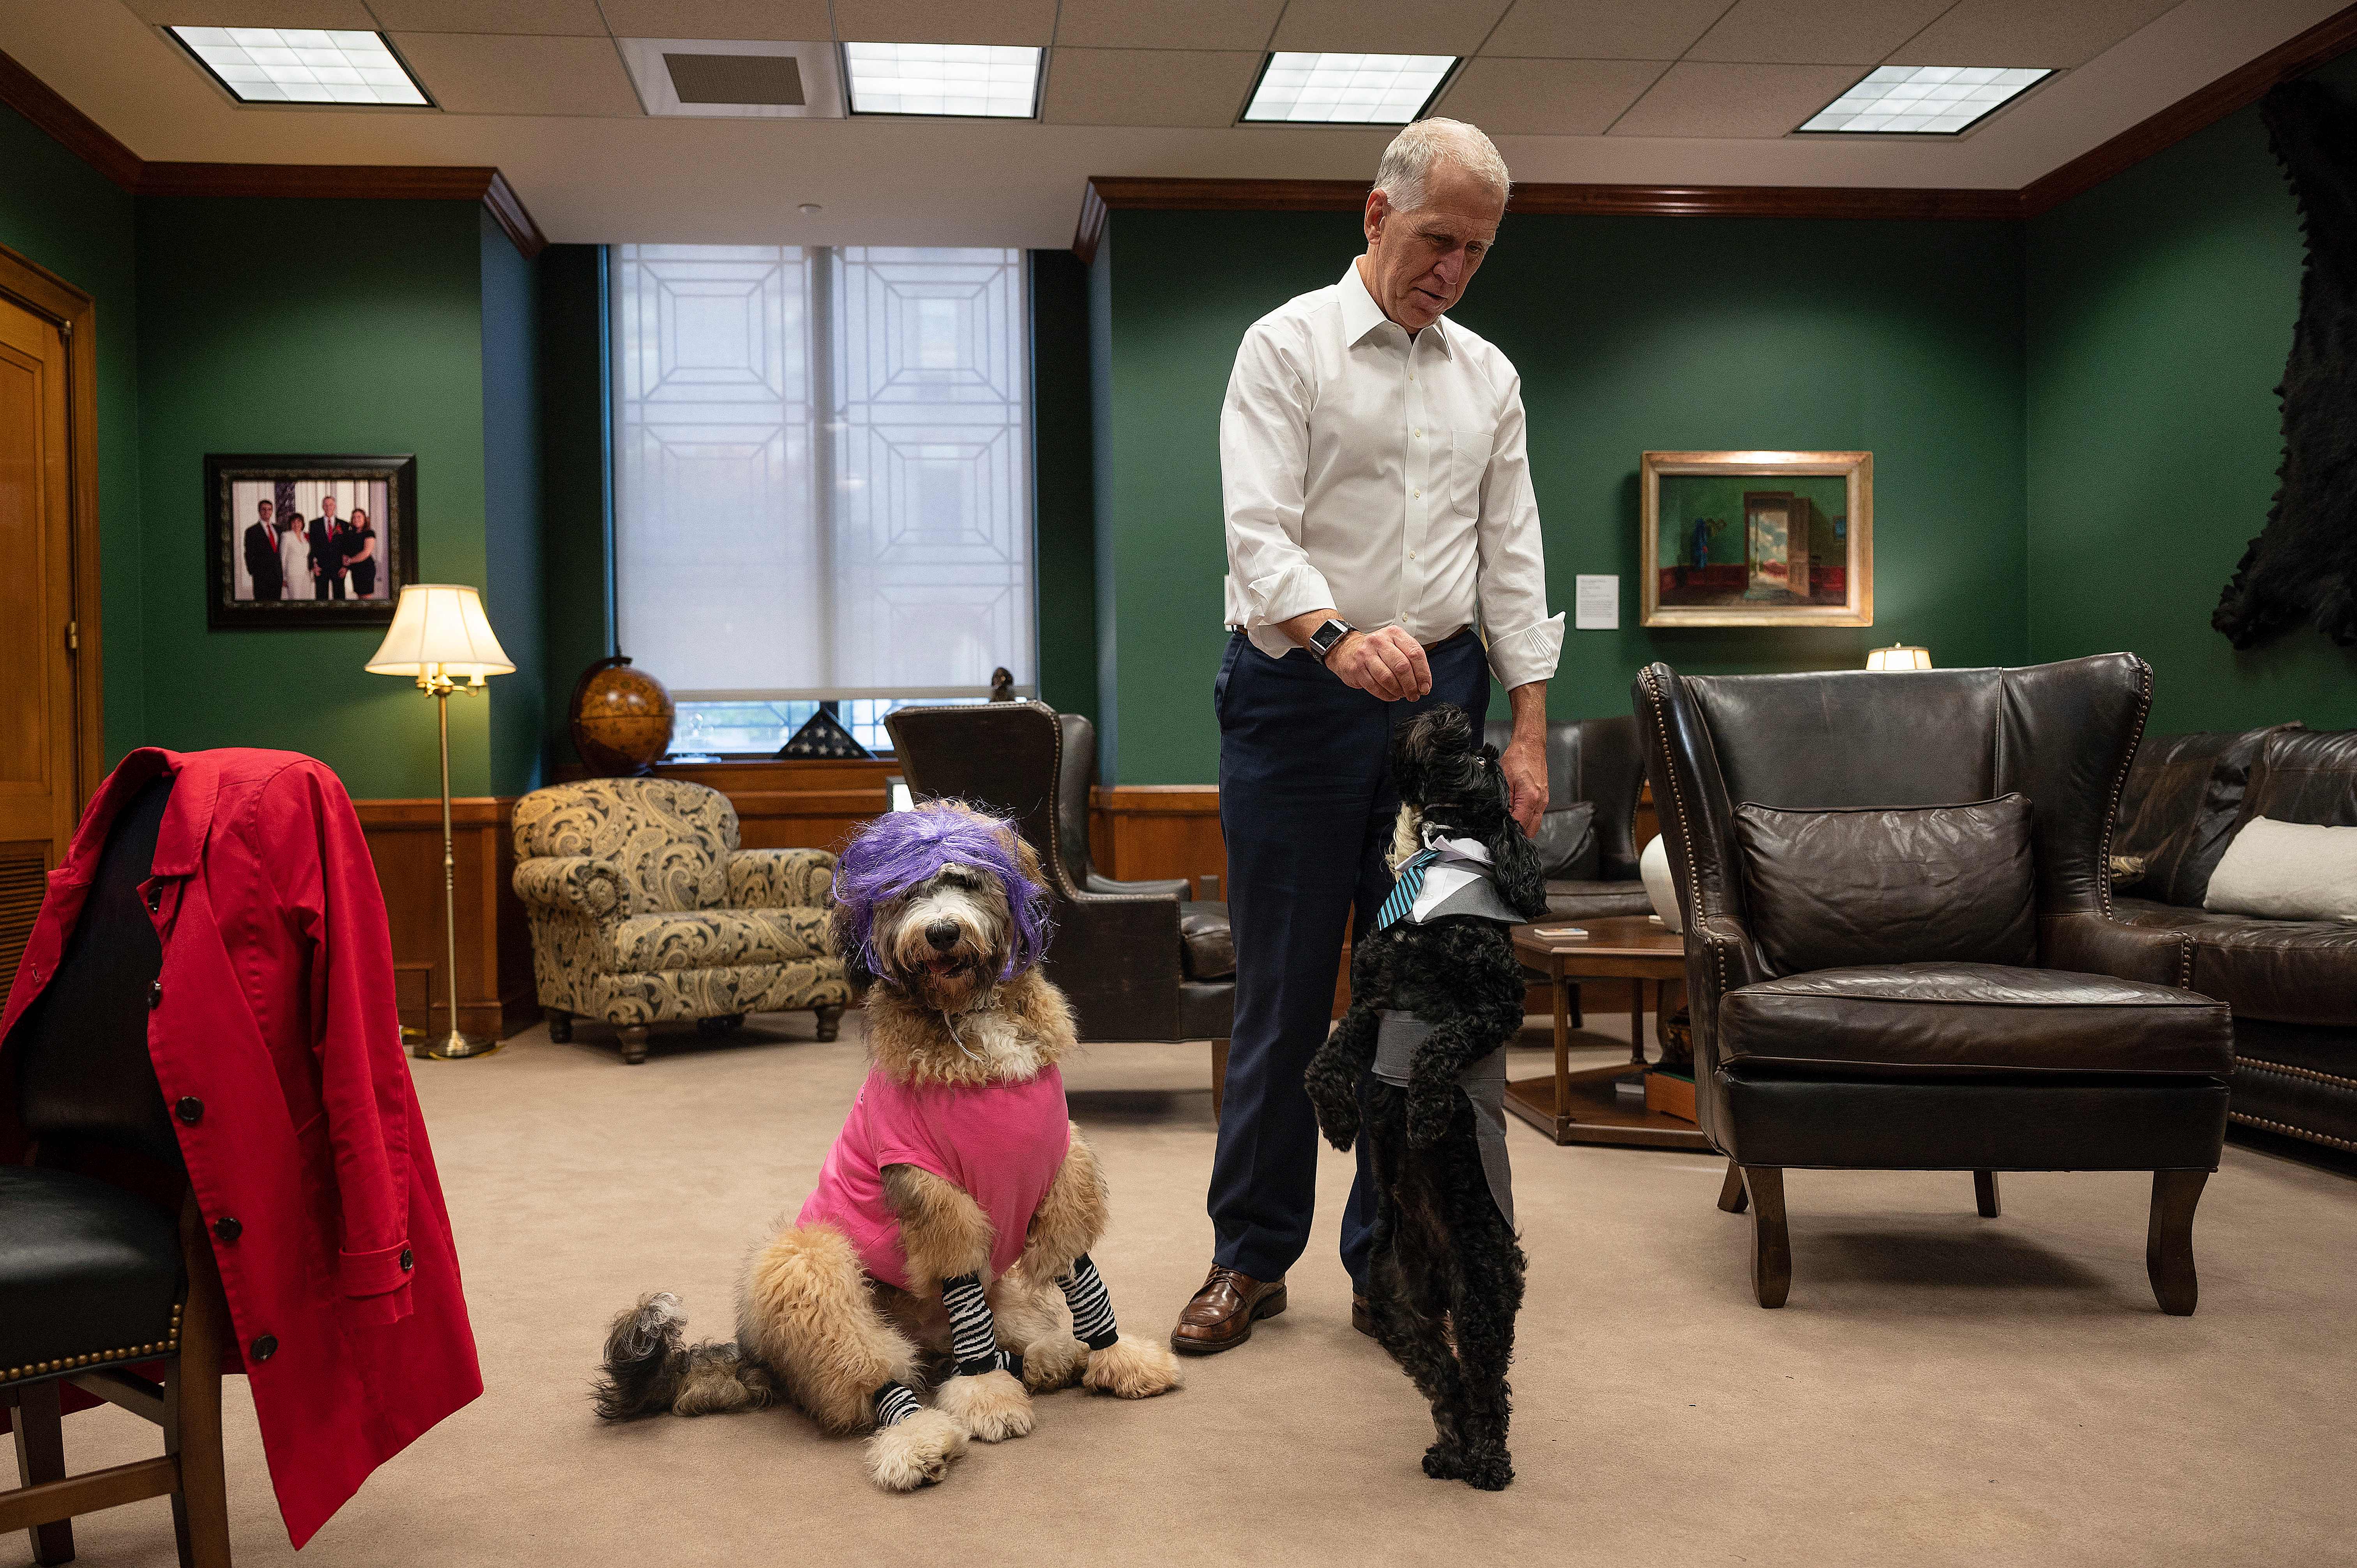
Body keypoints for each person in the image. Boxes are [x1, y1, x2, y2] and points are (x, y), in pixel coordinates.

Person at [1173, 119, 1562, 1355]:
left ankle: (1390, 1256)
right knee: (1286, 996)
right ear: (1376, 217)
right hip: (1297, 697)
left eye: (1479, 251)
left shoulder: (1488, 378)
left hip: (1442, 708)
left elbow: (1513, 558)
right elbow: (1256, 531)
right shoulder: (1283, 347)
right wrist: (1337, 634)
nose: (1452, 268)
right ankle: (1250, 1256)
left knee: (1414, 996)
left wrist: (1530, 730)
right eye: (1438, 238)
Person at [243, 495, 283, 600]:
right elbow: (249, 554)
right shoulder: (252, 531)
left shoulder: (279, 529)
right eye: (264, 509)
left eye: (269, 510)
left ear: (272, 511)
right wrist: (254, 571)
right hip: (261, 576)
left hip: (277, 576)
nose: (267, 512)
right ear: (259, 511)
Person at [309, 493, 348, 601]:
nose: (328, 507)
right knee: (321, 598)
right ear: (323, 507)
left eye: (331, 505)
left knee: (340, 598)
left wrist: (346, 567)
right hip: (321, 568)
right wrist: (313, 565)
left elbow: (347, 547)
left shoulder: (344, 524)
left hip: (339, 567)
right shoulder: (314, 524)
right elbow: (312, 547)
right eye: (326, 505)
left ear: (335, 506)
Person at [346, 505, 379, 598]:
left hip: (366, 569)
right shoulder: (351, 534)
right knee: (359, 596)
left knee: (366, 598)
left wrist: (350, 561)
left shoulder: (369, 533)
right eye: (354, 517)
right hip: (355, 570)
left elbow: (366, 552)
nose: (356, 519)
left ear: (365, 519)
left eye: (359, 517)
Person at [279, 510, 313, 600]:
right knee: (296, 600)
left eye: (299, 522)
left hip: (306, 573)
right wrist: (283, 577)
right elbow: (283, 558)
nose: (296, 524)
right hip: (293, 574)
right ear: (290, 524)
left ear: (302, 524)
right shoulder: (286, 536)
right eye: (294, 522)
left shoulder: (305, 536)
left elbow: (309, 555)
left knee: (306, 600)